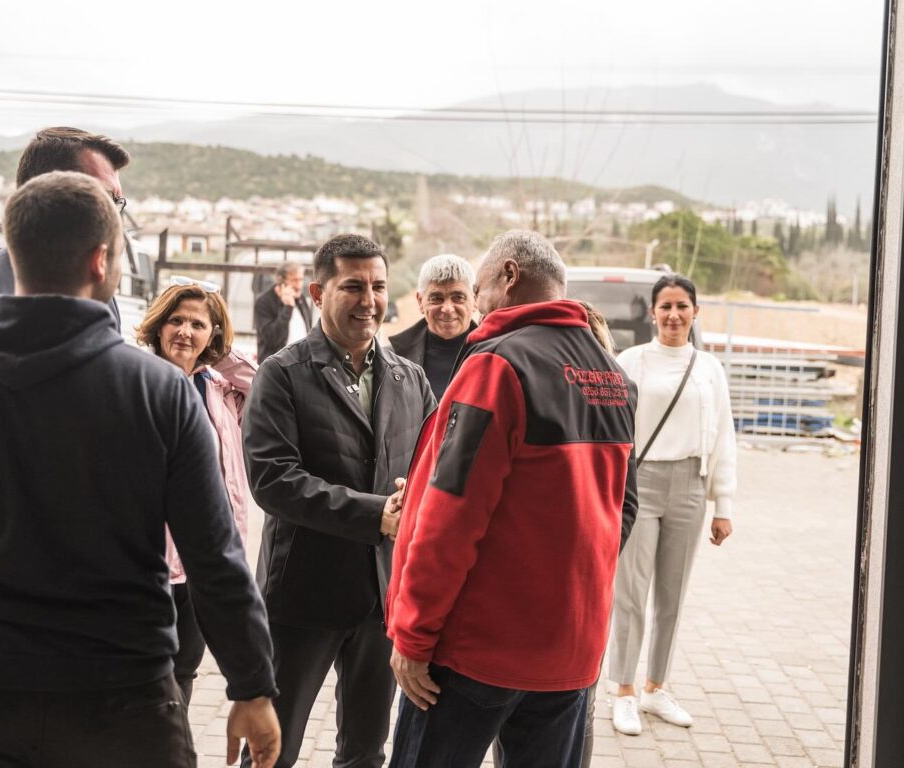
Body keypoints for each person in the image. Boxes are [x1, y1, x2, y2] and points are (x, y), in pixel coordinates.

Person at [0, 171, 281, 768]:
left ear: (15, 252)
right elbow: (214, 557)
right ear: (101, 259)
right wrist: (251, 686)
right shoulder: (160, 391)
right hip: (122, 694)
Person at [386, 230, 638, 768]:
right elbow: (623, 509)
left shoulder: (498, 366)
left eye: (477, 290)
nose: (477, 306)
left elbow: (450, 516)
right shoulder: (612, 376)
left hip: (478, 649)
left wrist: (413, 634)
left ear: (508, 275)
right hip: (571, 650)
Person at [242, 233, 435, 768]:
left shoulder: (410, 377)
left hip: (382, 600)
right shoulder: (282, 374)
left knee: (366, 753)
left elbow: (434, 467)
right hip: (303, 598)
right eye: (353, 286)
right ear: (317, 291)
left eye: (378, 286)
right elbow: (274, 480)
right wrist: (377, 514)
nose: (369, 300)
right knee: (270, 750)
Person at [608, 273, 737, 737]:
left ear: (696, 312)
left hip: (690, 484)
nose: (674, 315)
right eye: (665, 306)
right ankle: (624, 691)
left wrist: (723, 504)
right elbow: (612, 428)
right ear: (653, 312)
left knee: (672, 595)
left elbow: (724, 436)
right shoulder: (631, 361)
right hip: (640, 482)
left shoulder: (709, 369)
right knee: (630, 592)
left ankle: (656, 687)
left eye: (683, 306)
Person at [136, 278, 256, 709]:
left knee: (184, 670)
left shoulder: (220, 391)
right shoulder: (137, 381)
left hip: (206, 562)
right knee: (145, 671)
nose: (184, 332)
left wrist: (217, 353)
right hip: (149, 560)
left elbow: (264, 384)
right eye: (176, 321)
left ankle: (174, 742)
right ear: (159, 325)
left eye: (197, 324)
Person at [0, 126, 128, 350]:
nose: (113, 214)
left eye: (117, 202)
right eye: (104, 197)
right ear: (46, 192)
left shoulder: (101, 288)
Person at [388, 254, 477, 400]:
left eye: (458, 297)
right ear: (420, 301)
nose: (447, 309)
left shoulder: (496, 356)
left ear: (475, 300)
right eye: (436, 298)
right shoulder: (390, 360)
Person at [254, 261, 314, 362]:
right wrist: (287, 308)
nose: (299, 285)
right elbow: (271, 338)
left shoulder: (301, 299)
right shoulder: (264, 302)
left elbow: (309, 330)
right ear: (281, 280)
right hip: (277, 364)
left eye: (301, 279)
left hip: (301, 362)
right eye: (294, 280)